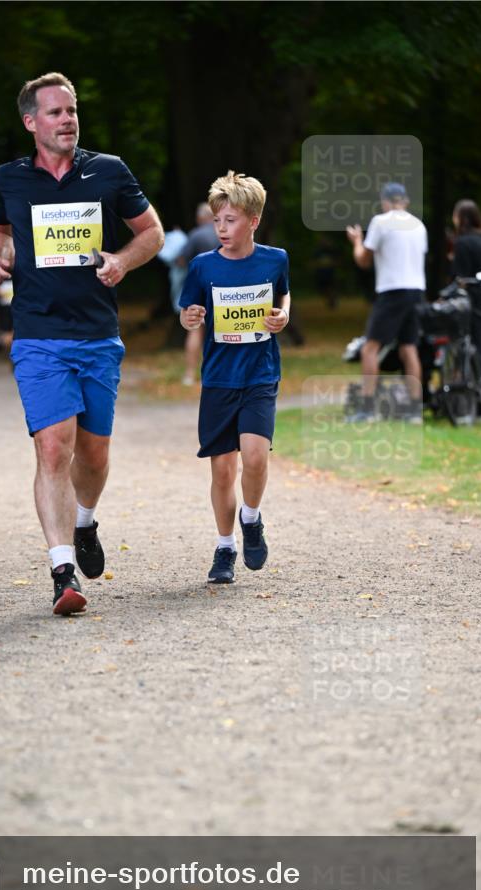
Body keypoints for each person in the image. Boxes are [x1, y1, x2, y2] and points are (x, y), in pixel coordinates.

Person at [0, 71, 163, 615]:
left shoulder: (107, 171)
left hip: (98, 335)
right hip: (38, 334)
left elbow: (150, 232)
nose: (68, 120)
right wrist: (0, 257)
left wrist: (121, 260)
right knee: (54, 446)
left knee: (94, 453)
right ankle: (62, 572)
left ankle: (85, 519)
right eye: (56, 113)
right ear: (31, 122)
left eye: (72, 110)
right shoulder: (10, 179)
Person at [179, 171, 290, 585]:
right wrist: (189, 318)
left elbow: (283, 294)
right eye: (217, 221)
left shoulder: (275, 259)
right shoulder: (202, 266)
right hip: (219, 380)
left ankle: (252, 518)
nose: (222, 229)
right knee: (223, 471)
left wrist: (284, 314)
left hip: (260, 374)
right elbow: (187, 310)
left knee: (256, 458)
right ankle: (224, 547)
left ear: (253, 221)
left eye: (231, 220)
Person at [346, 182, 427, 423]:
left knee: (369, 348)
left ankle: (368, 409)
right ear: (405, 201)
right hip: (417, 291)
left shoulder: (381, 222)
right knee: (408, 348)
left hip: (392, 291)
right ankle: (414, 410)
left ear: (385, 201)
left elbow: (364, 260)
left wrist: (357, 241)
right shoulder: (419, 226)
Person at [450, 199, 481, 423]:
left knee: (466, 351)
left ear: (461, 218)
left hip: (471, 305)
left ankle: (469, 405)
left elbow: (459, 278)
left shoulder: (463, 243)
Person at [179, 203, 221, 385]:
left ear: (199, 218)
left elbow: (180, 260)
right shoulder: (225, 233)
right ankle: (216, 373)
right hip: (225, 289)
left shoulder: (195, 235)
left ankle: (189, 374)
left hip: (201, 290)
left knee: (195, 330)